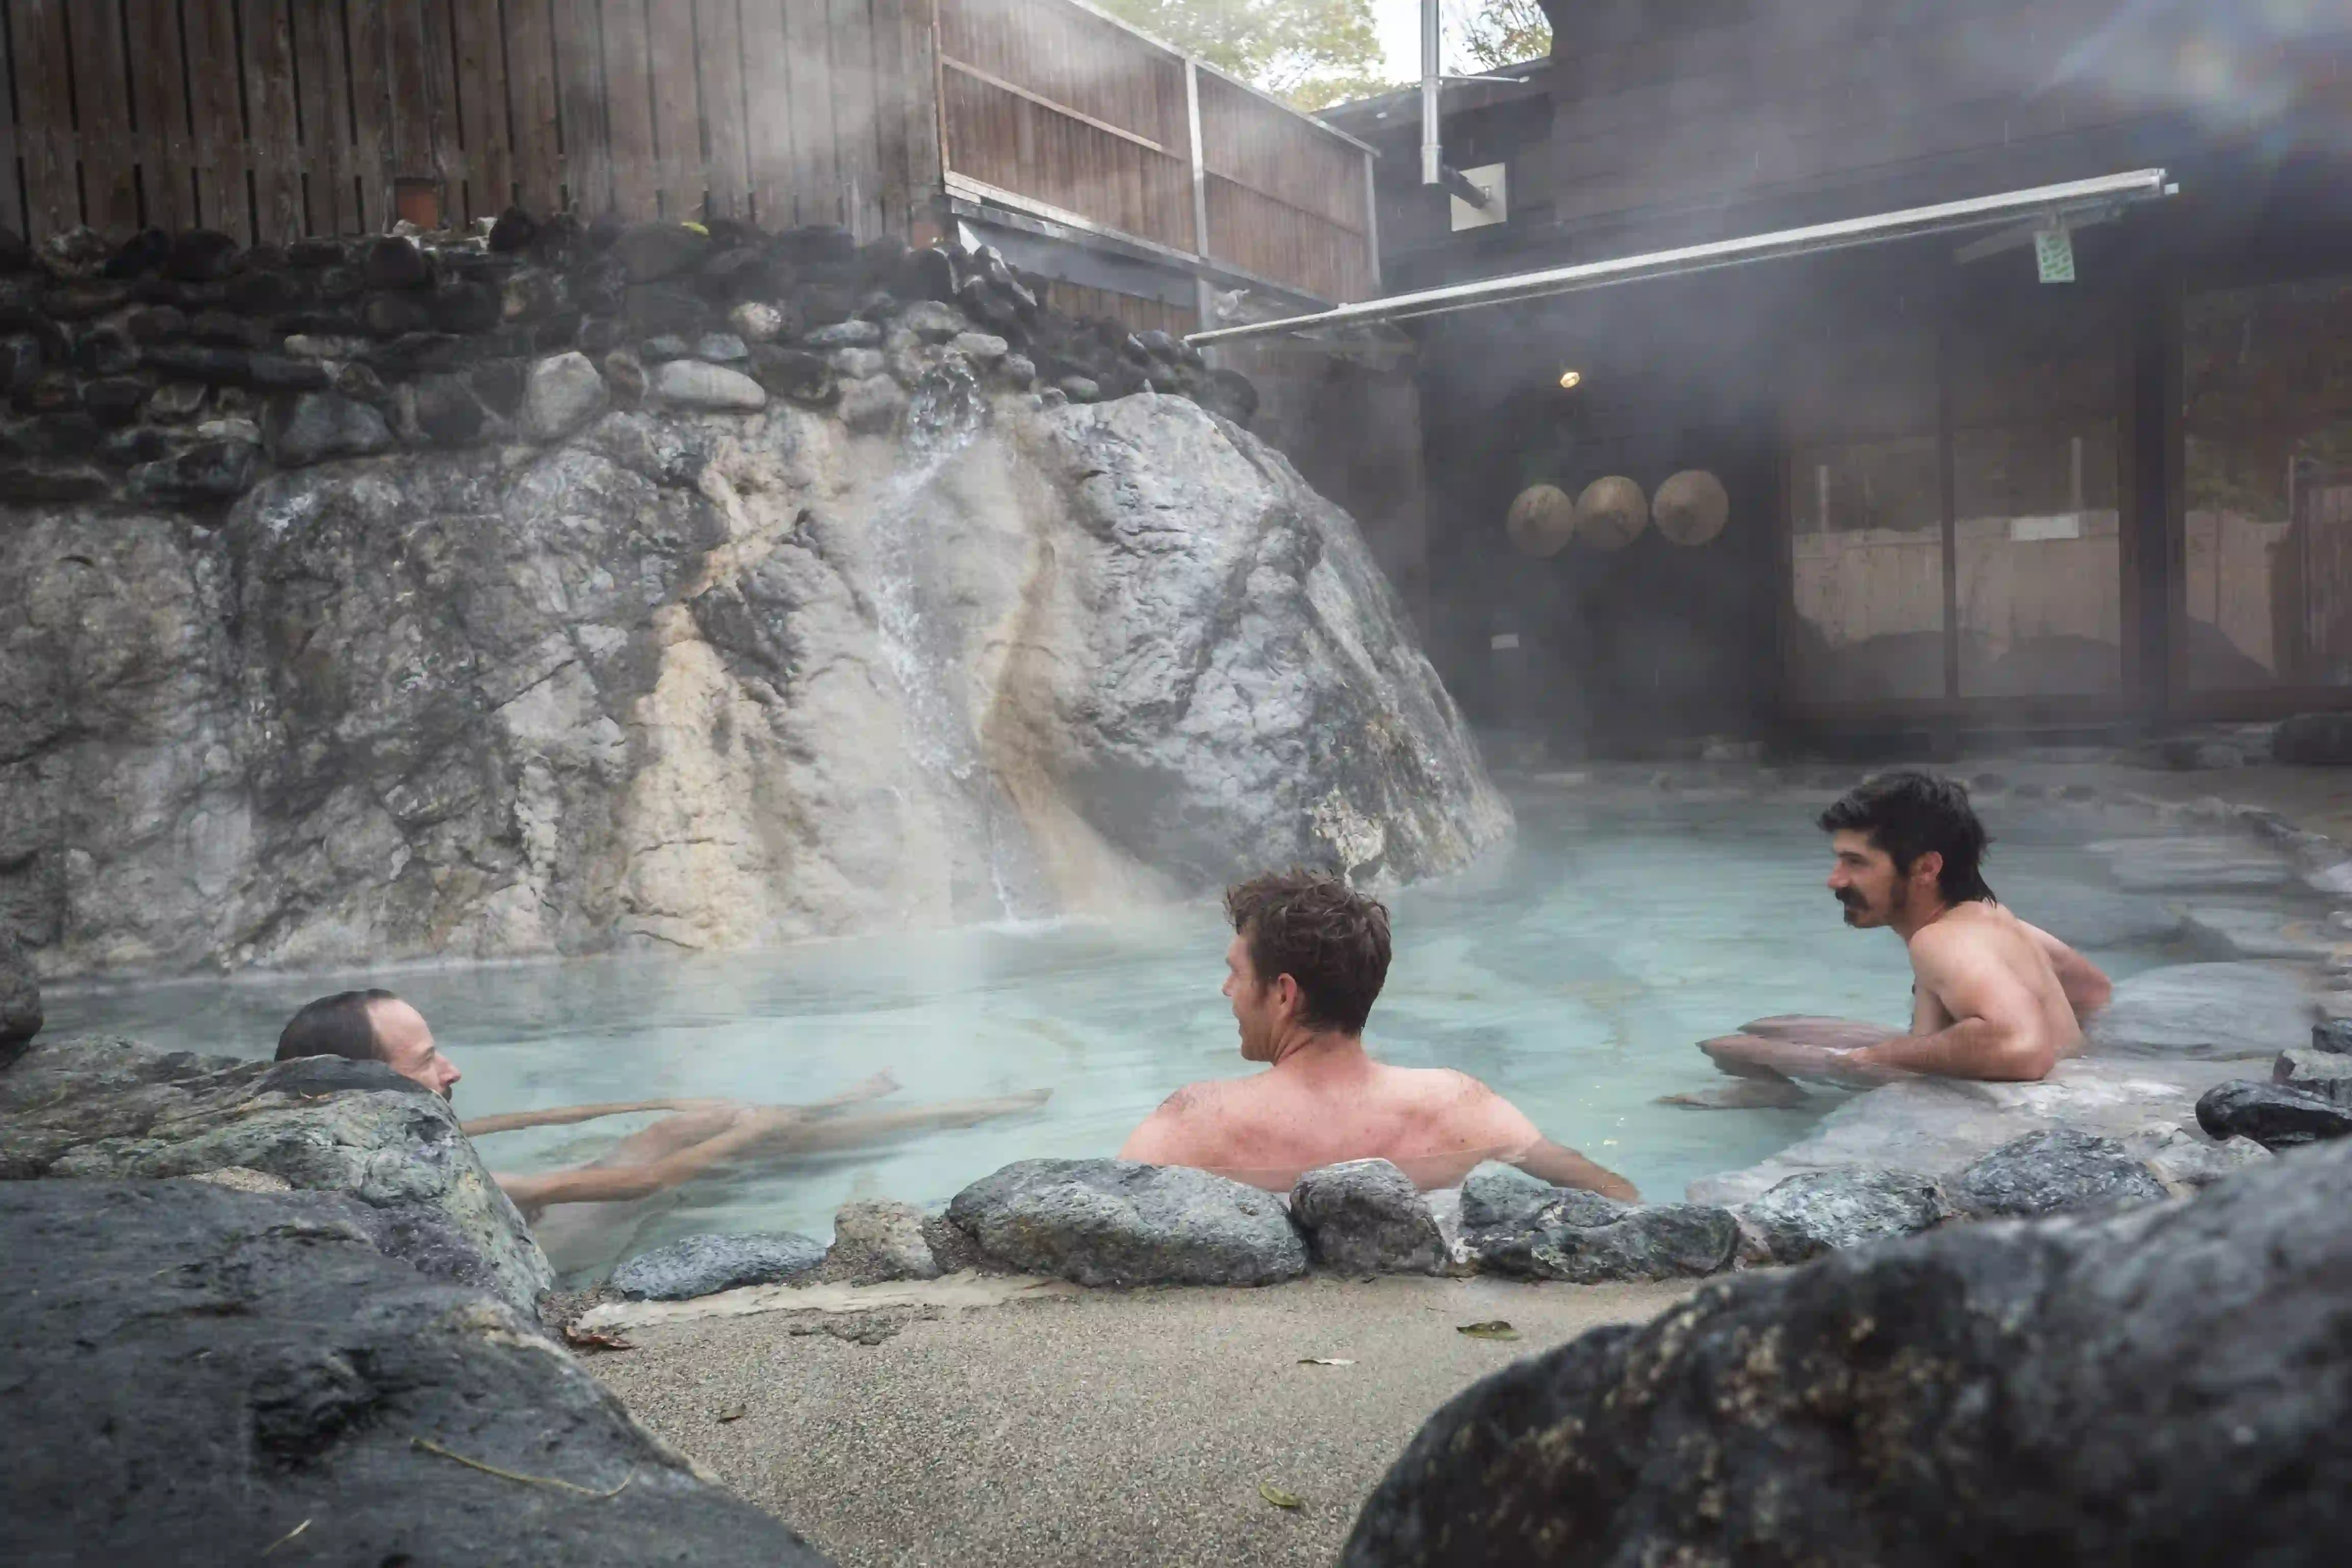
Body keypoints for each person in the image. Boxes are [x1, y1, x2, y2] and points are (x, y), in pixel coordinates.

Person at [273, 989, 1048, 1222]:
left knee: (694, 1123)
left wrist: (652, 1099)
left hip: (605, 1175)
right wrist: (753, 1133)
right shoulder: (426, 1181)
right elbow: (629, 1186)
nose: (454, 1070)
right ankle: (952, 1110)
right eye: (427, 1061)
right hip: (603, 1207)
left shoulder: (383, 1136)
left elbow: (532, 1123)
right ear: (358, 1081)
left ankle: (867, 1106)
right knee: (758, 1135)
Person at [1118, 870, 1637, 1198]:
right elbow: (1611, 1191)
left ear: (1283, 994)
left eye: (1236, 972)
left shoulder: (1194, 1124)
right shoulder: (1458, 1107)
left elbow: (1098, 1218)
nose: (1226, 989)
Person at [1673, 771, 2112, 1108]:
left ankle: (1779, 1102)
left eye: (1855, 863)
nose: (1834, 881)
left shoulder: (1939, 942)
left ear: (1926, 869)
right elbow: (2093, 991)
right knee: (1772, 1027)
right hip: (1998, 1071)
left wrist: (1869, 1060)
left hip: (1976, 1094)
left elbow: (2022, 1048)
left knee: (1731, 1049)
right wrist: (2065, 1048)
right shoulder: (1996, 919)